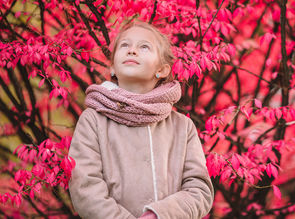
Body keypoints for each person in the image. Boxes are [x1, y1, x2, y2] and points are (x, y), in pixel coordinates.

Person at [68, 21, 214, 219]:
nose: (132, 51)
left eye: (144, 46)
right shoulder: (93, 120)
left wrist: (160, 215)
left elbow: (199, 190)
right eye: (124, 46)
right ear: (112, 68)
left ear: (162, 70)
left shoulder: (182, 126)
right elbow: (85, 186)